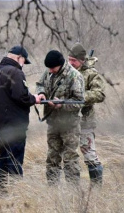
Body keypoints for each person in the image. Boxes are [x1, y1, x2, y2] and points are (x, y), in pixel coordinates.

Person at [0, 46, 39, 191]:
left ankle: (1, 191)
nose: (23, 64)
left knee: (4, 158)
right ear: (19, 58)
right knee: (15, 159)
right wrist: (34, 98)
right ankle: (18, 193)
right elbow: (21, 96)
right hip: (15, 125)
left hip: (0, 124)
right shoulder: (16, 72)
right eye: (24, 61)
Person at [36, 50, 84, 186]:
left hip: (70, 125)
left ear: (60, 64)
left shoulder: (74, 76)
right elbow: (40, 84)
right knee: (52, 157)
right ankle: (53, 191)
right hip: (53, 123)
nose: (50, 71)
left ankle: (73, 192)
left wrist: (61, 104)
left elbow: (79, 102)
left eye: (52, 68)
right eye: (48, 68)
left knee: (70, 159)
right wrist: (41, 94)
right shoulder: (49, 72)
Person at [68, 42, 105, 186]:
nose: (70, 63)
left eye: (74, 60)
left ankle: (96, 189)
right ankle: (72, 189)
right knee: (69, 156)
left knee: (89, 155)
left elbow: (99, 94)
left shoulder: (91, 74)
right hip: (67, 121)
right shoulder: (66, 71)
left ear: (82, 60)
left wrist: (80, 98)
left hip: (85, 121)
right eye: (69, 59)